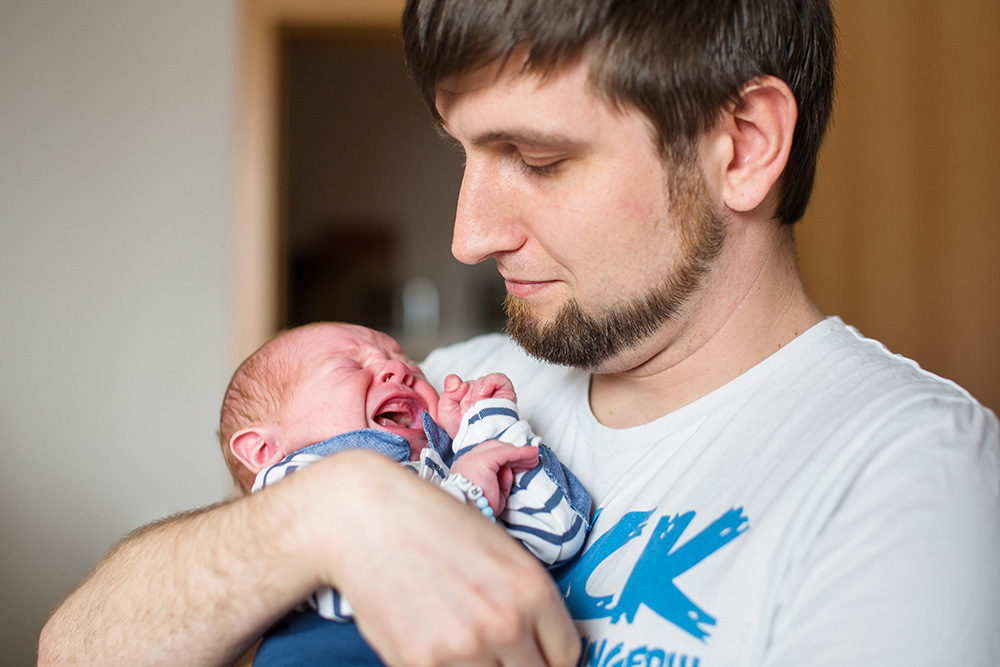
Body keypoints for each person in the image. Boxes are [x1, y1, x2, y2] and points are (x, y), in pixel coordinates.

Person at [38, 1, 1000, 666]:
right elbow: (75, 647)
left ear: (742, 145)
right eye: (464, 152)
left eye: (536, 158)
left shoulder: (914, 471)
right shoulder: (438, 393)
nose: (466, 236)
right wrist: (323, 514)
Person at [218, 321, 590, 666]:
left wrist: (488, 426)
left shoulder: (452, 467)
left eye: (405, 359)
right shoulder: (291, 487)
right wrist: (468, 491)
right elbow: (382, 548)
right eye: (349, 364)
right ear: (263, 451)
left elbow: (558, 534)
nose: (398, 369)